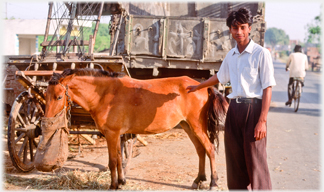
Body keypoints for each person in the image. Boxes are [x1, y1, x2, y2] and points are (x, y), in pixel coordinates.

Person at [186, 7, 275, 190]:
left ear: (249, 28)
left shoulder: (261, 54)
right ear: (230, 30)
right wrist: (198, 86)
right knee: (234, 161)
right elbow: (219, 76)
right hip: (234, 110)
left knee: (255, 161)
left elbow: (267, 88)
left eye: (243, 27)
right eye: (235, 28)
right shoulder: (231, 55)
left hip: (253, 110)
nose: (239, 32)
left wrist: (262, 121)